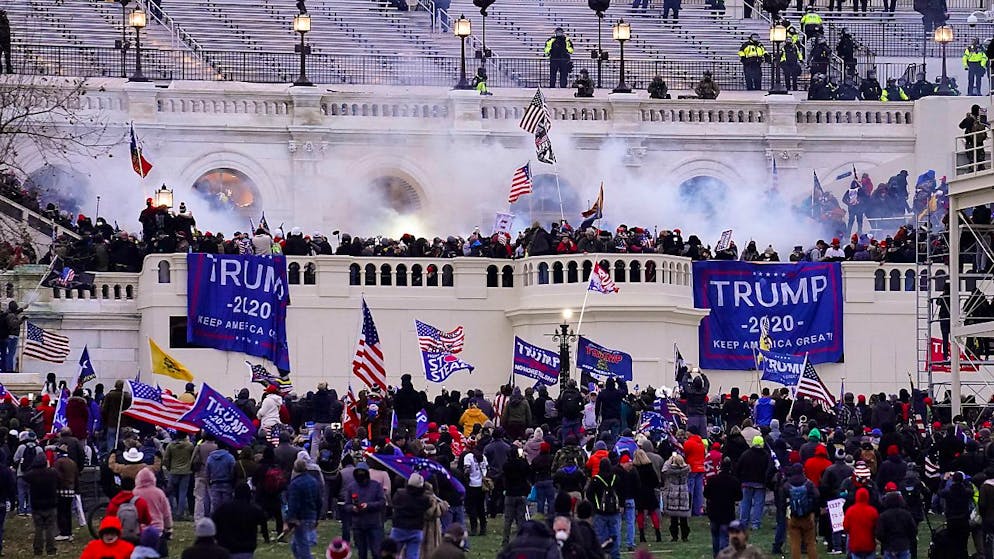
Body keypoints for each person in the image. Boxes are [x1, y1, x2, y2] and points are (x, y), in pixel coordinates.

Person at [212, 483, 269, 559]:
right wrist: (266, 537)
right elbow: (263, 521)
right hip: (246, 549)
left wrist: (217, 538)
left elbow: (213, 522)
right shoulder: (254, 510)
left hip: (226, 548)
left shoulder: (223, 508)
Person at [346, 463, 385, 559]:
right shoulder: (351, 487)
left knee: (376, 552)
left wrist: (368, 506)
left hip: (373, 523)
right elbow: (347, 505)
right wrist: (353, 508)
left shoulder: (376, 485)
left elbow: (382, 502)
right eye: (358, 473)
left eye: (362, 472)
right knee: (362, 553)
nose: (360, 475)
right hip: (358, 524)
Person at [705, 457, 742, 556]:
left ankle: (716, 555)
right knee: (724, 536)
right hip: (727, 513)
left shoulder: (712, 480)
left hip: (714, 512)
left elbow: (706, 494)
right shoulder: (734, 481)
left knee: (715, 536)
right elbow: (739, 496)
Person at [286, 459, 322, 559]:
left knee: (303, 547)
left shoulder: (295, 484)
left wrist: (290, 519)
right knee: (295, 545)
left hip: (301, 518)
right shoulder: (314, 481)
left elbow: (293, 503)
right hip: (312, 515)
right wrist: (317, 517)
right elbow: (319, 501)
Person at [23, 453, 58, 555]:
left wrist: (32, 466)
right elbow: (59, 479)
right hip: (51, 503)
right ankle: (51, 549)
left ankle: (38, 549)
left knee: (38, 528)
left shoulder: (32, 474)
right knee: (50, 527)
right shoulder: (52, 472)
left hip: (37, 504)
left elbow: (24, 476)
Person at [391, 473, 432, 559]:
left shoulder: (399, 494)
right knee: (413, 556)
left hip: (399, 527)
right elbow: (429, 506)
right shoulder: (425, 499)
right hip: (416, 529)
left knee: (392, 554)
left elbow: (394, 503)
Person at [587, 457, 622, 559]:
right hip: (614, 512)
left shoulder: (595, 480)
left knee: (600, 537)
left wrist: (596, 504)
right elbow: (621, 492)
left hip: (600, 513)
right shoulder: (616, 478)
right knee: (615, 536)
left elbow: (589, 494)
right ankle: (615, 556)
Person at [782, 462, 818, 559]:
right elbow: (816, 496)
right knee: (810, 543)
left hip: (793, 516)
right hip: (807, 516)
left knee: (795, 543)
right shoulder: (809, 484)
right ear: (803, 471)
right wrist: (813, 511)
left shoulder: (787, 485)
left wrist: (784, 513)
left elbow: (782, 501)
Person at [735, 436, 771, 530]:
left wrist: (739, 479)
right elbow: (768, 469)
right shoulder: (766, 455)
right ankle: (756, 523)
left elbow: (738, 467)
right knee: (758, 504)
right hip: (760, 483)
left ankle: (743, 522)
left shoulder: (746, 454)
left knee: (745, 503)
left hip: (746, 482)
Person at [163, 431, 193, 520]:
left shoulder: (170, 446)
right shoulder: (190, 446)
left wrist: (169, 468)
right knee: (183, 493)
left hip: (173, 471)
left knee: (170, 492)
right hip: (186, 472)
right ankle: (180, 513)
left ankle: (170, 511)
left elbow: (165, 459)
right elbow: (193, 458)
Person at [661, 453, 691, 541]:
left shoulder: (670, 471)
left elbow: (664, 470)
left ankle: (674, 536)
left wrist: (669, 460)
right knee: (684, 518)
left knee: (673, 518)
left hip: (673, 494)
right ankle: (685, 536)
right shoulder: (686, 470)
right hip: (683, 494)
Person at [843, 488, 878, 559]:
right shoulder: (873, 511)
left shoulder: (850, 511)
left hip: (855, 545)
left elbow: (846, 527)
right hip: (869, 545)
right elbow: (877, 527)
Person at [0, 9, 11, 74]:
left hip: (6, 41)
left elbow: (7, 31)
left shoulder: (6, 21)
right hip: (2, 41)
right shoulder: (3, 22)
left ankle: (9, 69)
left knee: (8, 57)